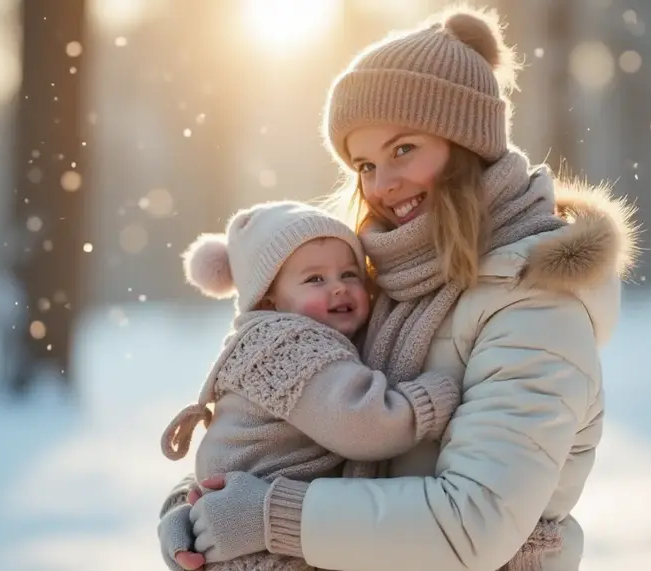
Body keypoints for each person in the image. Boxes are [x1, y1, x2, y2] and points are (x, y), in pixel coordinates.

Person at [160, 5, 638, 571]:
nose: (382, 185)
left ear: (467, 145)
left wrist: (268, 517)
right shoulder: (379, 277)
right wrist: (197, 511)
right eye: (363, 164)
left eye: (404, 149)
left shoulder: (534, 304)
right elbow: (281, 431)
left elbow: (473, 524)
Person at [158, 201, 463, 571]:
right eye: (315, 279)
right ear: (269, 298)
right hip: (262, 546)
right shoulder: (288, 344)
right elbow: (363, 426)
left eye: (349, 274)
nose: (338, 288)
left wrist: (183, 511)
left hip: (245, 531)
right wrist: (433, 398)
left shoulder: (266, 340)